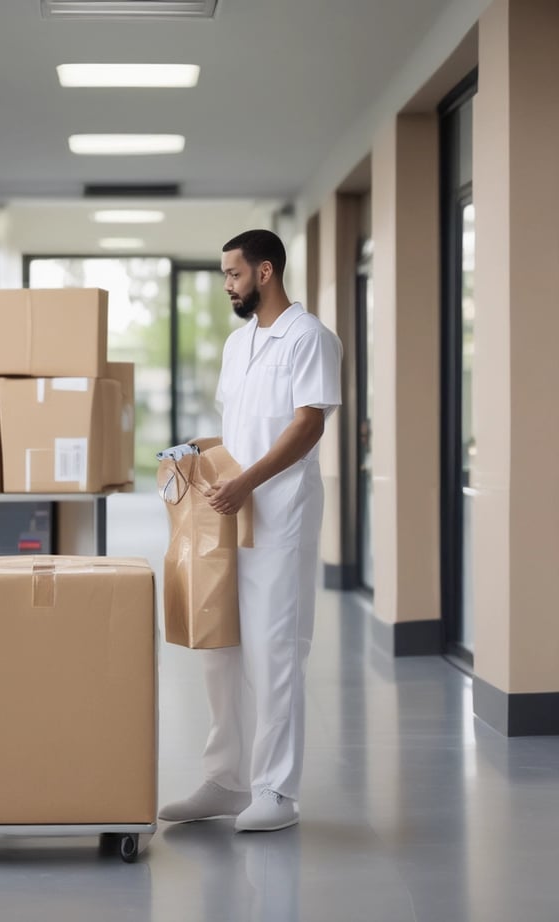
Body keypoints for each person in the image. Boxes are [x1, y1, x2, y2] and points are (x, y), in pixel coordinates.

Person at [159, 228, 342, 832]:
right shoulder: (240, 345)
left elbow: (307, 425)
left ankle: (277, 792)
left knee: (274, 651)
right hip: (226, 515)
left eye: (233, 275)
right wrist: (193, 454)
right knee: (222, 649)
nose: (227, 285)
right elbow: (237, 430)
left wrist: (248, 483)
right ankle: (226, 780)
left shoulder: (309, 338)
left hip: (279, 513)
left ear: (265, 272)